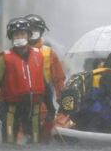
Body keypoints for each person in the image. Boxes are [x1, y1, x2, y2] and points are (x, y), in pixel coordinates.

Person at [0, 17, 47, 144]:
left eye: (23, 33)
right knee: (9, 141)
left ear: (29, 35)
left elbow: (45, 83)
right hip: (10, 108)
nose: (20, 37)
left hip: (33, 108)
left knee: (35, 141)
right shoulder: (4, 58)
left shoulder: (38, 55)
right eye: (16, 34)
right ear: (11, 37)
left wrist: (51, 108)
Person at [24, 14, 65, 142]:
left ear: (41, 32)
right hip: (19, 105)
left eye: (35, 29)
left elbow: (59, 81)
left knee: (40, 141)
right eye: (29, 29)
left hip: (43, 108)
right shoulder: (13, 53)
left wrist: (63, 109)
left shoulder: (49, 54)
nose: (32, 32)